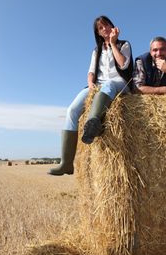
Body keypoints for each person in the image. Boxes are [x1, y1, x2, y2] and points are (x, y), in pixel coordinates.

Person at [49, 15, 133, 176]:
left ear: (112, 27)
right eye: (101, 28)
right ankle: (66, 163)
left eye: (107, 25)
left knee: (109, 84)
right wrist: (91, 83)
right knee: (72, 110)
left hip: (120, 83)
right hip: (99, 85)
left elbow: (124, 64)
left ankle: (93, 122)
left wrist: (113, 43)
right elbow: (91, 72)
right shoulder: (97, 50)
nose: (105, 29)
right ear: (98, 33)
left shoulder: (124, 44)